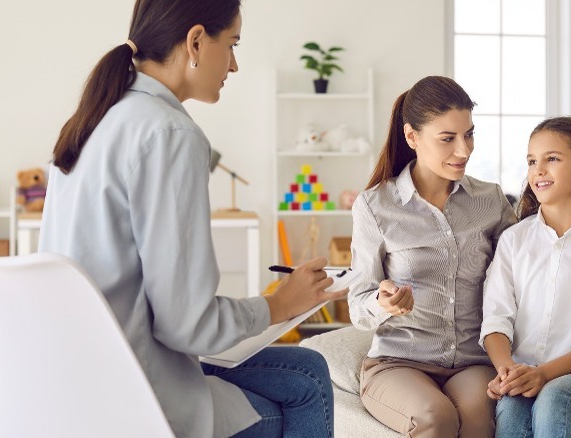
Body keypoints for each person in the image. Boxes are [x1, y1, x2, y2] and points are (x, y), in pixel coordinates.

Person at [38, 1, 345, 437]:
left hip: (79, 377)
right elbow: (187, 326)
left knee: (306, 367)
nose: (234, 64)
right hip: (138, 394)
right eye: (232, 44)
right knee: (310, 385)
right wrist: (278, 304)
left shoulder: (92, 120)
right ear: (196, 41)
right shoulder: (169, 133)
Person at [348, 77, 571, 438]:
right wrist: (383, 301)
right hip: (400, 359)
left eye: (469, 134)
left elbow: (542, 248)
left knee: (482, 416)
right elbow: (357, 303)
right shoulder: (376, 206)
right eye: (448, 139)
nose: (464, 150)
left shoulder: (489, 201)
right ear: (412, 138)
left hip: (471, 362)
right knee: (435, 417)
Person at [480, 116, 571, 438]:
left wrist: (543, 374)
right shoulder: (513, 241)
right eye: (532, 161)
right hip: (524, 369)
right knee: (512, 404)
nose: (538, 170)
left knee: (553, 397)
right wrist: (508, 372)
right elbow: (496, 318)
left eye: (552, 159)